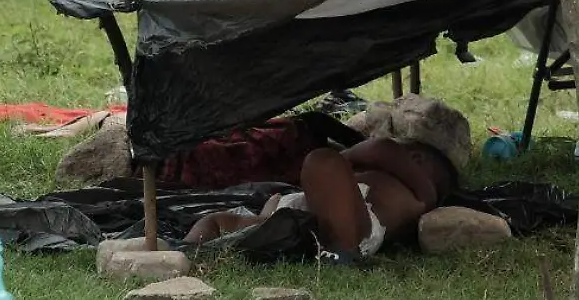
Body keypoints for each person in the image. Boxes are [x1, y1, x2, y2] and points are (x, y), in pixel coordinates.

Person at [184, 96, 468, 262]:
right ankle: (188, 252)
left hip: (353, 230)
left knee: (322, 161)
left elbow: (381, 148)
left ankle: (338, 252)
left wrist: (347, 157)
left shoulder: (419, 190)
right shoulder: (400, 184)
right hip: (303, 217)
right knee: (218, 221)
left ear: (417, 158)